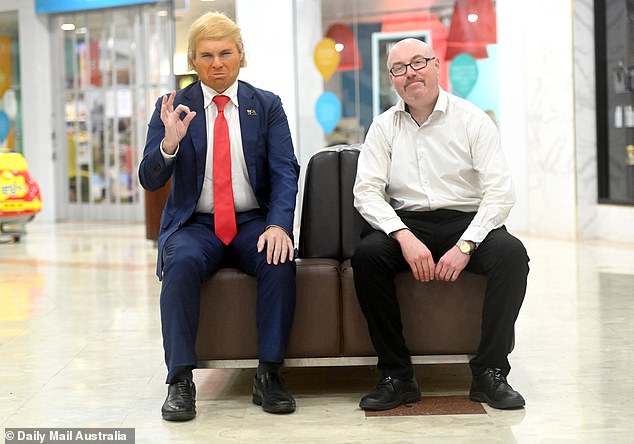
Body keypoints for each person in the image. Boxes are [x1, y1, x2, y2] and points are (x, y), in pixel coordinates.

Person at [351, 38, 529, 411]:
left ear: (435, 66)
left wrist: (466, 245)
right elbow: (366, 192)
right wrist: (402, 235)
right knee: (367, 256)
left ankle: (490, 373)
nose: (409, 73)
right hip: (407, 221)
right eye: (399, 68)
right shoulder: (383, 127)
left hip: (465, 219)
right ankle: (397, 376)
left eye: (418, 62)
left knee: (512, 255)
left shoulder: (473, 119)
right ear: (391, 80)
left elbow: (500, 193)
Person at [139, 12, 300, 421]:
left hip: (251, 222)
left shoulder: (266, 106)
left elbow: (285, 171)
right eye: (206, 55)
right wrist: (168, 147)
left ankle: (269, 374)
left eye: (225, 52)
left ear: (241, 54)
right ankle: (180, 380)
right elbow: (149, 178)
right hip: (196, 225)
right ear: (193, 60)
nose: (217, 63)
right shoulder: (173, 108)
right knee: (182, 261)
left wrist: (280, 225)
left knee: (277, 258)